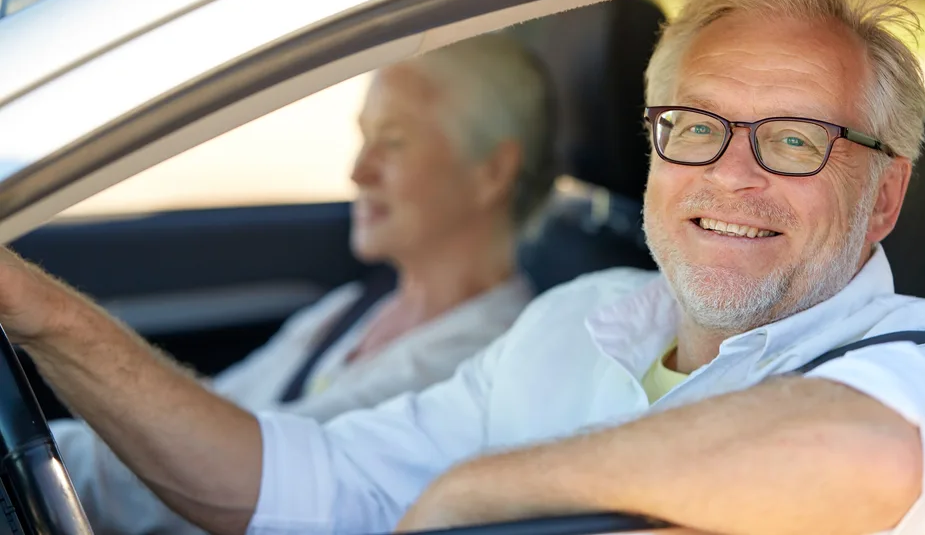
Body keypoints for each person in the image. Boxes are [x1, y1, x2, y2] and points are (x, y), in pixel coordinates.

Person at [2, 0, 925, 535]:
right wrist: (40, 315)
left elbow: (856, 450)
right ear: (651, 144)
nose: (730, 175)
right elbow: (310, 482)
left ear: (882, 196)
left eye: (795, 140)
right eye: (694, 125)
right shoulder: (578, 316)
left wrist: (477, 492)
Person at [46, 33, 557, 534]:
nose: (358, 171)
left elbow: (235, 473)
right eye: (364, 137)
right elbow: (217, 407)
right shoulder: (360, 305)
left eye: (394, 141)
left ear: (492, 170)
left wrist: (51, 446)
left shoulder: (478, 363)